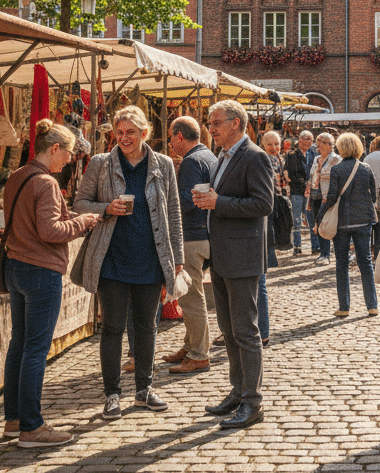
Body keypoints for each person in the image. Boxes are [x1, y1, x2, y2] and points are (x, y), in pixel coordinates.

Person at [75, 105, 183, 420]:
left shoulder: (163, 164)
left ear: (144, 133)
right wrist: (106, 208)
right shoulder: (100, 164)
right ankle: (112, 394)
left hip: (150, 258)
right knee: (112, 327)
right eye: (119, 132)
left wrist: (177, 257)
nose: (124, 138)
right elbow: (80, 203)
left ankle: (144, 389)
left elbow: (173, 211)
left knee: (147, 326)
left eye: (131, 132)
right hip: (111, 258)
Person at [0, 120, 100, 447]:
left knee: (19, 344)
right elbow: (50, 231)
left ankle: (14, 419)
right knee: (35, 348)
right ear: (54, 148)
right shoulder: (45, 182)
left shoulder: (17, 176)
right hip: (40, 271)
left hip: (16, 267)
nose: (69, 159)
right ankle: (32, 427)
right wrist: (82, 223)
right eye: (67, 153)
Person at [192, 100, 275, 430]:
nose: (210, 128)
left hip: (243, 257)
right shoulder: (223, 156)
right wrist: (209, 201)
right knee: (228, 330)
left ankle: (253, 402)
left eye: (216, 123)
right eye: (209, 123)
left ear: (236, 123)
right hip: (223, 254)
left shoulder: (255, 156)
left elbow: (263, 203)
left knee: (245, 330)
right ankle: (238, 391)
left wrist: (219, 202)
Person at [164, 117, 218, 375]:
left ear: (179, 137)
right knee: (192, 294)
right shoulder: (209, 155)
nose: (170, 143)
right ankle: (190, 346)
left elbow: (186, 201)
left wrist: (166, 197)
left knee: (191, 297)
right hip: (206, 233)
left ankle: (198, 354)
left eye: (170, 137)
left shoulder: (191, 161)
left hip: (192, 236)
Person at [319, 133, 379, 317]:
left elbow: (331, 197)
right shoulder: (366, 168)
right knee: (366, 263)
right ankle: (372, 305)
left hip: (342, 222)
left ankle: (344, 307)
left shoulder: (336, 170)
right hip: (363, 220)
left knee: (342, 264)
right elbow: (373, 196)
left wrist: (319, 217)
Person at [258, 131, 285, 343]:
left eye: (277, 144)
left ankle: (261, 330)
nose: (274, 147)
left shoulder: (273, 160)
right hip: (268, 220)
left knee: (259, 281)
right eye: (271, 144)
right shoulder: (266, 159)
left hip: (266, 222)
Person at [308, 133, 342, 264]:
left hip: (328, 197)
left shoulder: (336, 159)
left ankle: (337, 253)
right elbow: (311, 178)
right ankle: (324, 254)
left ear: (329, 145)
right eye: (318, 143)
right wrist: (308, 199)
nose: (319, 146)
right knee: (319, 224)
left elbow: (340, 179)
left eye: (321, 143)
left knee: (331, 224)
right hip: (315, 196)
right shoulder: (316, 159)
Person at [285, 131, 316, 255]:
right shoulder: (292, 155)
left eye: (310, 139)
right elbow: (292, 172)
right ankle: (297, 246)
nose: (307, 141)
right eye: (305, 139)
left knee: (311, 219)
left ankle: (315, 247)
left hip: (311, 191)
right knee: (296, 219)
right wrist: (305, 183)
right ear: (300, 140)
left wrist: (311, 184)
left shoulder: (314, 154)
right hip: (297, 190)